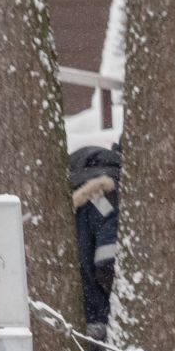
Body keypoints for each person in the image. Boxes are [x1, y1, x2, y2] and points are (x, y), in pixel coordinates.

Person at [69, 145, 122, 339]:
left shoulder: (65, 204)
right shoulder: (110, 199)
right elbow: (108, 262)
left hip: (64, 319)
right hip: (101, 321)